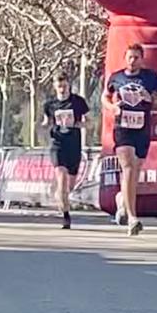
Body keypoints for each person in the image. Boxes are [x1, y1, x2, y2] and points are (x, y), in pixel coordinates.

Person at [103, 44, 157, 236]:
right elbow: (105, 97)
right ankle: (133, 219)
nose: (132, 61)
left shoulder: (150, 78)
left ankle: (122, 200)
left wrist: (151, 98)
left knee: (135, 171)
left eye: (136, 57)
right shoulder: (116, 77)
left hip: (142, 128)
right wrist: (112, 107)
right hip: (122, 128)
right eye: (130, 57)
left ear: (142, 59)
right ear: (125, 58)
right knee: (128, 167)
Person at [43, 72, 90, 229]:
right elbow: (46, 122)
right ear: (54, 87)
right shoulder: (50, 105)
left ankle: (61, 197)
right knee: (62, 179)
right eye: (59, 87)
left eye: (64, 86)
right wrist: (45, 126)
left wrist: (78, 124)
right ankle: (66, 217)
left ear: (69, 85)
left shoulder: (78, 102)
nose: (62, 89)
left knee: (69, 186)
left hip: (74, 146)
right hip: (57, 144)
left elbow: (90, 123)